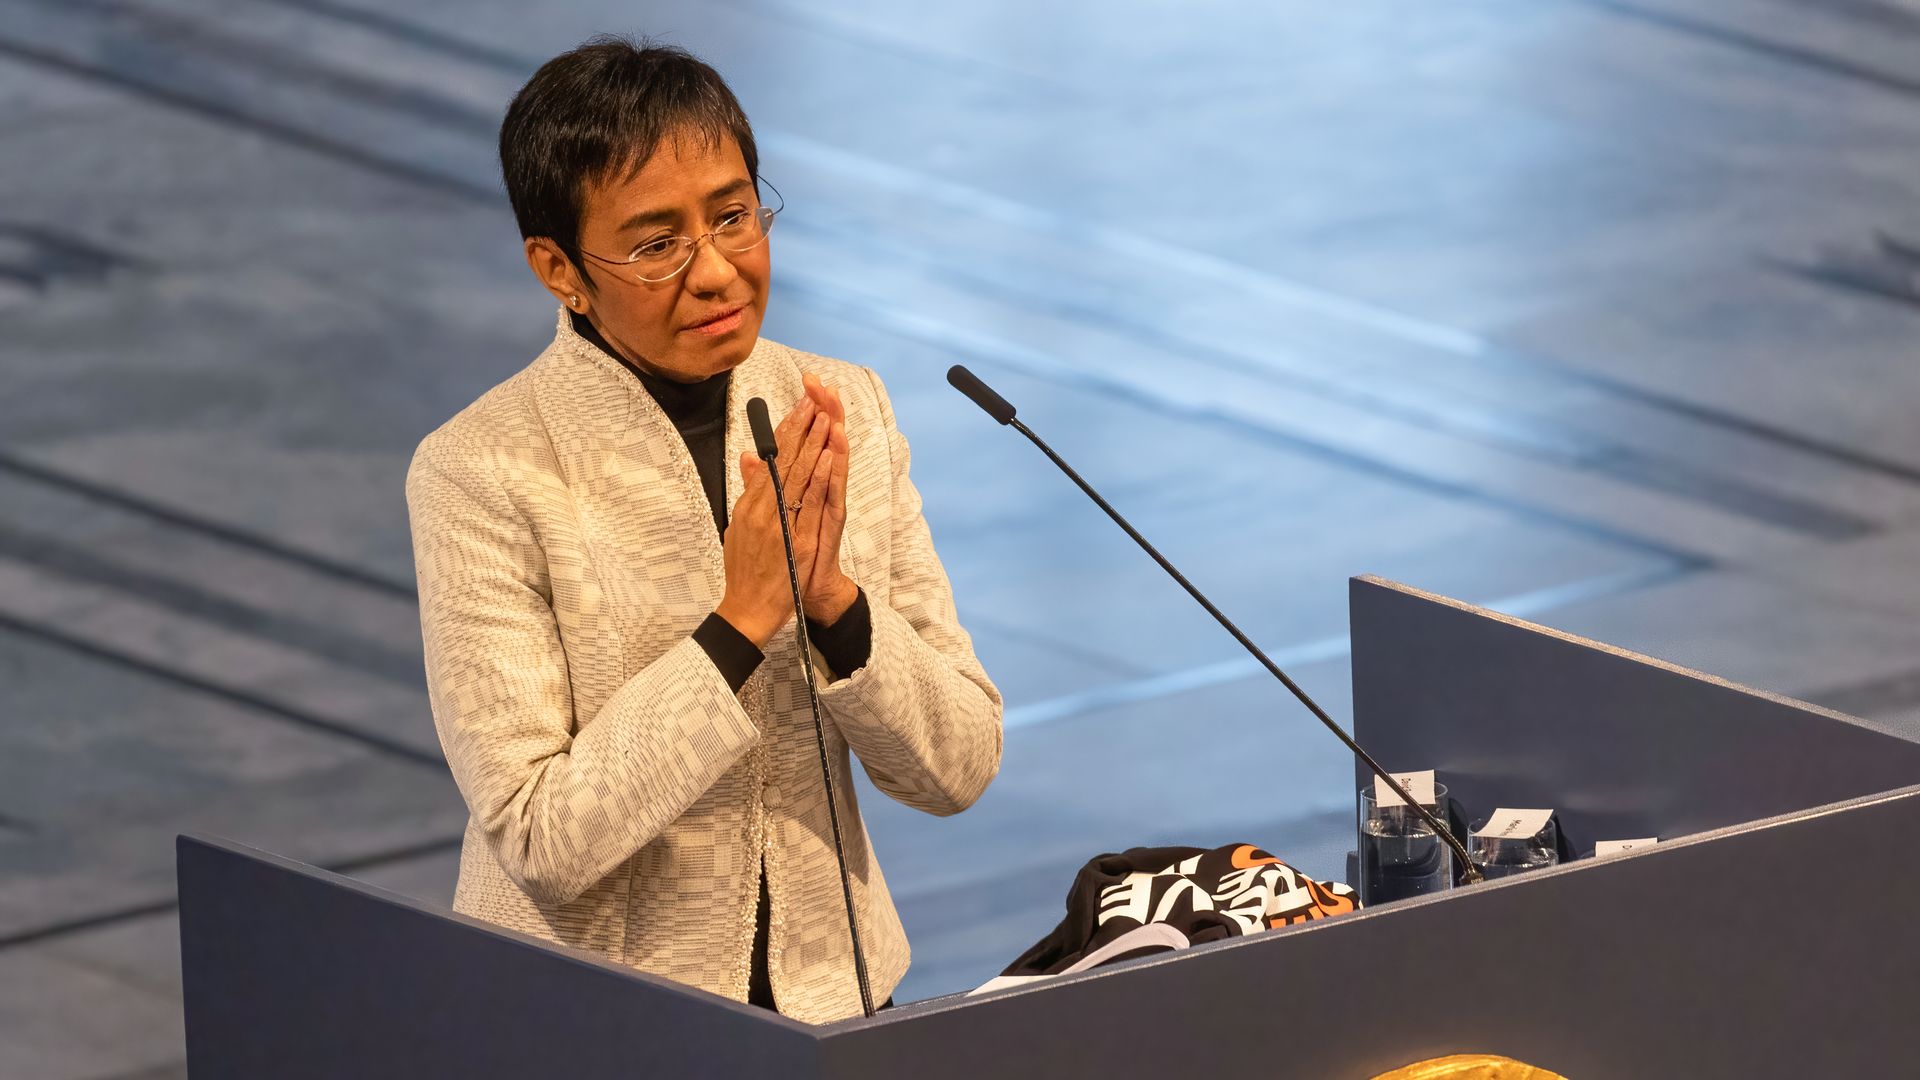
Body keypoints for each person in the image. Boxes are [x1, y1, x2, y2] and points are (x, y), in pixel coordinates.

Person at [404, 35, 1003, 1025]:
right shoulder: (484, 469)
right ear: (559, 268)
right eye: (655, 244)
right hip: (590, 1023)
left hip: (835, 1007)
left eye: (733, 216)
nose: (718, 270)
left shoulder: (838, 405)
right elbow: (541, 837)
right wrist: (738, 625)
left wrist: (836, 608)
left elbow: (958, 764)